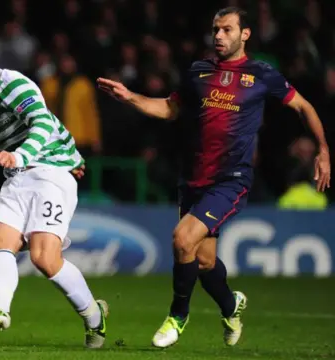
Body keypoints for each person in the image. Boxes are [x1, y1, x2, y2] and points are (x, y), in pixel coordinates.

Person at [97, 6, 331, 348]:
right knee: (204, 262)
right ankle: (231, 305)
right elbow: (170, 108)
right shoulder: (198, 71)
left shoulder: (262, 74)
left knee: (182, 239)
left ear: (244, 34)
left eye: (226, 29)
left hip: (230, 179)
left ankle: (178, 315)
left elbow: (304, 107)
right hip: (193, 178)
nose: (218, 35)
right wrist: (131, 97)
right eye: (215, 29)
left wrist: (323, 149)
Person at [0, 32, 108, 349]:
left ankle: (95, 318)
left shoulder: (13, 84)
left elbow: (42, 123)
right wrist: (71, 152)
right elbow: (51, 126)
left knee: (44, 257)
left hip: (48, 176)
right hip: (20, 177)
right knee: (0, 237)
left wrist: (23, 156)